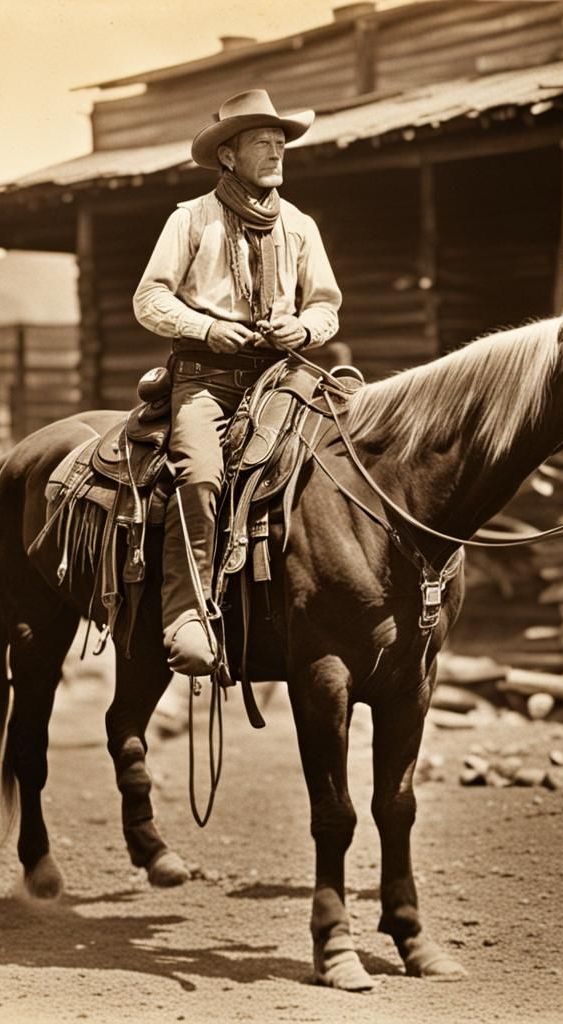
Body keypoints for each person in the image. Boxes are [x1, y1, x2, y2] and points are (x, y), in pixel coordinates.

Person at [133, 89, 342, 677]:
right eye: (262, 142)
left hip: (281, 376)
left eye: (281, 141)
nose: (277, 150)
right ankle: (188, 614)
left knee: (337, 460)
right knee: (199, 475)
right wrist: (206, 329)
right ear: (227, 156)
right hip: (207, 379)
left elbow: (328, 308)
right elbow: (148, 299)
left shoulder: (299, 227)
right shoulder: (190, 220)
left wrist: (299, 329)